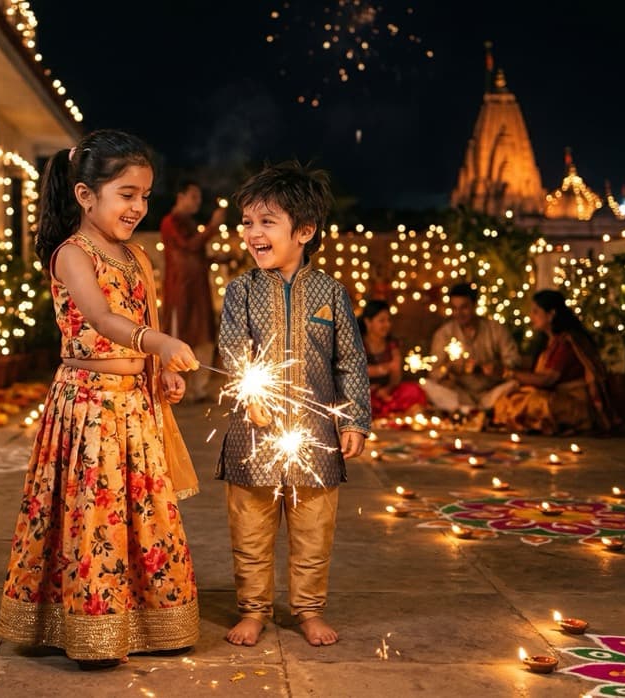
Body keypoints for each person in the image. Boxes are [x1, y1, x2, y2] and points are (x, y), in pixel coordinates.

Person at [0, 130, 201, 668]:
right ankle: (91, 629)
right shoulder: (72, 254)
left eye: (145, 195)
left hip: (134, 406)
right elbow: (103, 318)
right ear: (86, 195)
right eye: (127, 194)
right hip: (88, 409)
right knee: (95, 516)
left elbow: (148, 320)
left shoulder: (137, 257)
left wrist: (162, 371)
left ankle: (156, 618)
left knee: (144, 514)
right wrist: (158, 342)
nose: (139, 206)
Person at [217, 162, 370, 649]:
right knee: (251, 530)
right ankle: (254, 610)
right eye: (247, 223)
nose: (253, 234)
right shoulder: (240, 290)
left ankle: (308, 609)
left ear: (304, 231)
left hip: (316, 439)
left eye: (267, 222)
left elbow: (351, 361)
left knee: (313, 531)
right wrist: (251, 394)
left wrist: (354, 419)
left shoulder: (330, 293)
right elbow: (233, 350)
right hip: (253, 437)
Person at [492, 289, 619, 435]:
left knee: (536, 402)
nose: (531, 316)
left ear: (551, 314)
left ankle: (545, 424)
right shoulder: (548, 341)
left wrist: (508, 373)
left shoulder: (567, 342)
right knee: (508, 398)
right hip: (553, 396)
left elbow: (547, 379)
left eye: (536, 312)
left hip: (573, 403)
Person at [160, 179, 225, 400]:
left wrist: (217, 258)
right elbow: (188, 247)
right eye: (194, 197)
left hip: (198, 290)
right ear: (181, 197)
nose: (197, 202)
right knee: (180, 337)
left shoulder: (188, 223)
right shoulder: (170, 222)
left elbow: (195, 254)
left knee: (204, 338)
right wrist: (213, 226)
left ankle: (199, 389)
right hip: (181, 291)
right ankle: (179, 389)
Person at [422, 283, 522, 418]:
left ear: (474, 305)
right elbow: (434, 373)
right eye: (454, 308)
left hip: (491, 393)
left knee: (514, 384)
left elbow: (514, 360)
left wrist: (496, 368)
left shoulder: (495, 329)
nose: (459, 313)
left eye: (464, 308)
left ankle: (473, 412)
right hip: (459, 394)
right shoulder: (443, 334)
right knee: (427, 386)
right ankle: (473, 411)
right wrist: (450, 369)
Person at [358, 299, 427, 419]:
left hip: (387, 392)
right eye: (381, 321)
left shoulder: (392, 344)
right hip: (365, 393)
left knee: (414, 390)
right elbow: (357, 371)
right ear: (368, 322)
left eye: (388, 320)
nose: (387, 325)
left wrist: (387, 389)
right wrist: (380, 370)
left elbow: (396, 373)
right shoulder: (359, 343)